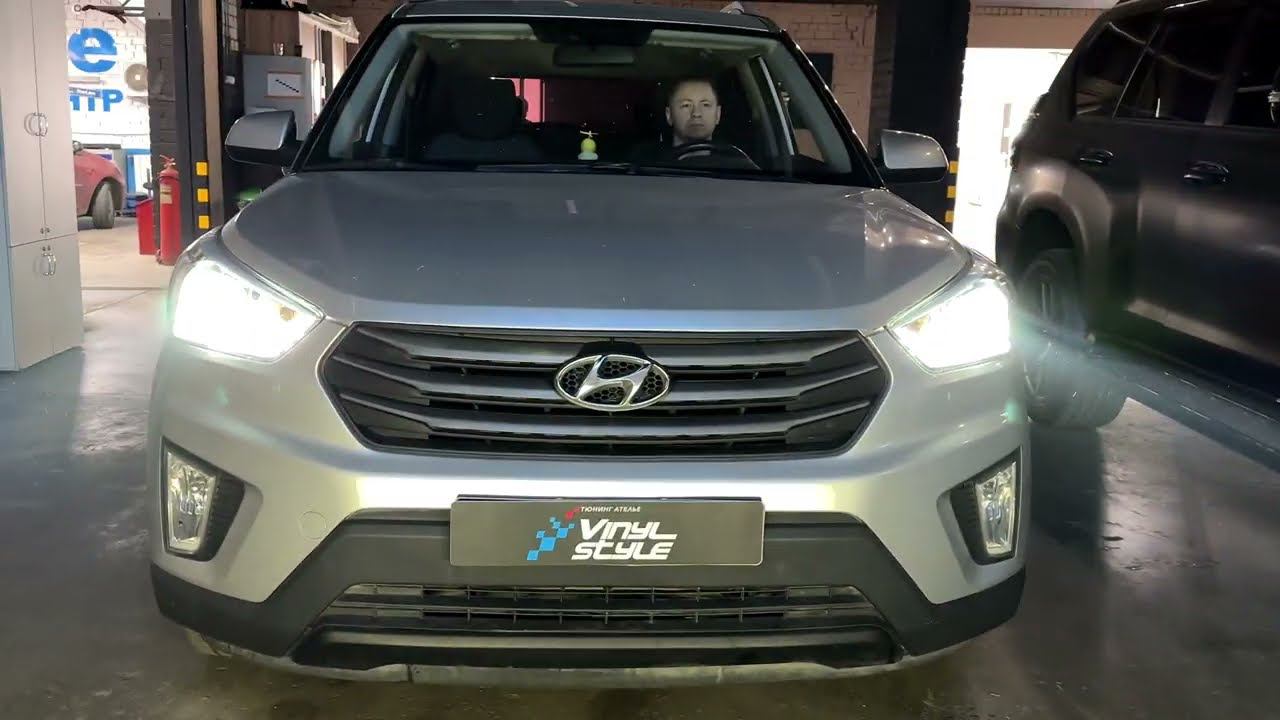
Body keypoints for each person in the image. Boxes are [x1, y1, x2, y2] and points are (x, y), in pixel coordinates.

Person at [665, 78, 722, 147]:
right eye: (686, 105)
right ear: (669, 115)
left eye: (705, 105)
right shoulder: (654, 154)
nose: (696, 113)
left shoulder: (732, 153)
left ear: (718, 114)